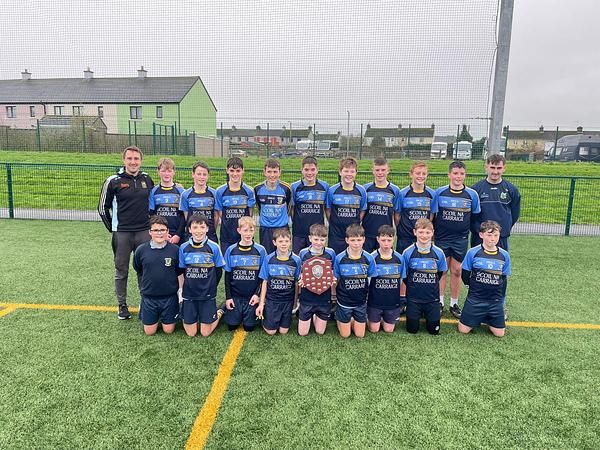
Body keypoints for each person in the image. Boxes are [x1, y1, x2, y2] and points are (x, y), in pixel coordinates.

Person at [98, 146, 154, 320]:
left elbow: (152, 205)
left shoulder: (147, 179)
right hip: (122, 234)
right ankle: (122, 305)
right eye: (129, 158)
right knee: (121, 270)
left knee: (144, 269)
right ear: (124, 160)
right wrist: (114, 228)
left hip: (143, 232)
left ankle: (145, 302)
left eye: (136, 159)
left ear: (141, 161)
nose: (133, 162)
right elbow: (102, 208)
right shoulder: (113, 181)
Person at [432, 161, 480, 318]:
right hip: (442, 238)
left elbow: (474, 218)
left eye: (461, 174)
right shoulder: (440, 193)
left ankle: (454, 303)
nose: (458, 177)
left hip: (460, 239)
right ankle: (440, 302)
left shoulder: (472, 195)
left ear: (465, 175)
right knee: (442, 270)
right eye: (455, 173)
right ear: (449, 175)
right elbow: (433, 215)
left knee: (457, 271)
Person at [459, 220, 511, 337]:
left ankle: (488, 318)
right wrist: (471, 287)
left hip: (494, 301)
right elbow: (465, 274)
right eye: (489, 235)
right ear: (481, 235)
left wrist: (501, 298)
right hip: (475, 299)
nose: (493, 239)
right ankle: (476, 315)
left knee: (499, 334)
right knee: (463, 330)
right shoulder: (473, 252)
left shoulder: (504, 255)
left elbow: (503, 278)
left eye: (496, 235)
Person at [133, 216, 181, 335]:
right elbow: (139, 268)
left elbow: (179, 270)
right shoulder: (141, 250)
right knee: (149, 332)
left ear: (167, 231)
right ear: (150, 232)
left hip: (169, 297)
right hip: (149, 297)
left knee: (168, 331)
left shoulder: (175, 250)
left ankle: (164, 317)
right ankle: (148, 312)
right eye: (155, 230)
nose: (159, 233)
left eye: (162, 230)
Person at [179, 214, 225, 337]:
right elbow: (182, 270)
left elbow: (218, 270)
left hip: (207, 293)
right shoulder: (183, 247)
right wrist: (183, 289)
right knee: (191, 333)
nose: (198, 231)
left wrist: (211, 286)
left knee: (205, 333)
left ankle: (220, 311)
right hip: (189, 293)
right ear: (189, 229)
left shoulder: (214, 247)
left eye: (202, 227)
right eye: (195, 227)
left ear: (207, 229)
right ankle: (183, 307)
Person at [402, 218, 447, 335]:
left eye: (427, 232)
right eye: (421, 232)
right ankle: (411, 308)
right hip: (413, 299)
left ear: (432, 233)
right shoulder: (407, 252)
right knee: (412, 330)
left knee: (433, 331)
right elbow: (405, 276)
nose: (424, 235)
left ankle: (429, 312)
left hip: (432, 299)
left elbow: (440, 273)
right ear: (414, 232)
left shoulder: (439, 252)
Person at [222, 216, 267, 332]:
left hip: (251, 297)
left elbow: (262, 277)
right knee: (232, 326)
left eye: (251, 230)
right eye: (245, 230)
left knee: (249, 327)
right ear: (239, 230)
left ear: (254, 231)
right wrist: (228, 297)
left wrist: (257, 295)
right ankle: (223, 307)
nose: (248, 234)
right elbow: (227, 275)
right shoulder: (231, 250)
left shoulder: (261, 250)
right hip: (235, 296)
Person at [333, 224, 377, 338]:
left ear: (364, 239)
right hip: (344, 301)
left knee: (360, 335)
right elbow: (336, 279)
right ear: (347, 240)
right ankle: (340, 317)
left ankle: (351, 320)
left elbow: (370, 278)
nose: (356, 243)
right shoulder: (339, 258)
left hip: (361, 301)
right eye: (353, 240)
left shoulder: (369, 258)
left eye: (359, 240)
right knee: (345, 335)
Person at [256, 228, 301, 335]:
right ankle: (266, 315)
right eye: (280, 241)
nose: (284, 244)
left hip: (288, 300)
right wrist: (261, 304)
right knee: (271, 332)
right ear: (274, 242)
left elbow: (296, 282)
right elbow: (265, 282)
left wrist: (295, 302)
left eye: (286, 241)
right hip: (272, 300)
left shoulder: (296, 260)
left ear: (290, 242)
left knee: (283, 331)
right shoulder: (268, 259)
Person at [471, 154, 521, 250]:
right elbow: (471, 216)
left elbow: (515, 214)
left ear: (504, 168)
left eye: (499, 168)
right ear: (486, 167)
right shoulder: (476, 189)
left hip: (501, 237)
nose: (495, 171)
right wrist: (480, 231)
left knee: (500, 259)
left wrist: (503, 229)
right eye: (492, 167)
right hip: (480, 237)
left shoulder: (512, 190)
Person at [297, 224, 336, 336]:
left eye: (322, 240)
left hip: (323, 297)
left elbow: (332, 270)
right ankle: (309, 314)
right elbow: (300, 272)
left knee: (320, 332)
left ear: (326, 239)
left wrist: (332, 278)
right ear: (310, 238)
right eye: (316, 239)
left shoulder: (330, 253)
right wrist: (301, 279)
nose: (319, 243)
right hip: (307, 296)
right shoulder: (303, 253)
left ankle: (316, 315)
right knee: (303, 333)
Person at [367, 225, 406, 333]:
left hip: (392, 303)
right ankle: (372, 316)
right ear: (378, 239)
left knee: (389, 330)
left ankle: (385, 317)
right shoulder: (372, 258)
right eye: (383, 240)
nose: (386, 243)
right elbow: (368, 281)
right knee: (374, 330)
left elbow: (401, 280)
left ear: (394, 239)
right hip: (375, 303)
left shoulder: (399, 258)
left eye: (389, 240)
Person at [215, 157, 256, 256]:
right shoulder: (220, 191)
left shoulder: (249, 191)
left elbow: (249, 215)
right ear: (227, 170)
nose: (235, 174)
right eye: (232, 171)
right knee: (228, 263)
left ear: (243, 171)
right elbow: (220, 214)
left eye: (238, 171)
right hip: (226, 236)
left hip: (244, 236)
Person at [326, 157, 367, 255]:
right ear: (340, 172)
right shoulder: (332, 190)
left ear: (356, 173)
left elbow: (362, 210)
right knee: (335, 258)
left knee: (353, 258)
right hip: (335, 234)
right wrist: (335, 222)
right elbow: (328, 209)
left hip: (353, 233)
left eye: (352, 171)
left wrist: (355, 222)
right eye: (346, 171)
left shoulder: (361, 191)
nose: (349, 174)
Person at [395, 161, 437, 254]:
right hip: (405, 237)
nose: (421, 176)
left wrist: (423, 230)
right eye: (418, 173)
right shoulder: (402, 193)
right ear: (411, 174)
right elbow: (397, 216)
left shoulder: (432, 194)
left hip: (422, 237)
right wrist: (403, 229)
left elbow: (431, 216)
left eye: (424, 174)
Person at [290, 157, 330, 254]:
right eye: (306, 170)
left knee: (317, 260)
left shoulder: (324, 186)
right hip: (299, 232)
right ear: (302, 170)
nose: (309, 173)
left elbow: (326, 209)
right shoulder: (295, 187)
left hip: (317, 234)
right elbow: (292, 209)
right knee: (299, 258)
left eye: (312, 169)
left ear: (317, 170)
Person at [362, 157, 401, 253]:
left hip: (385, 236)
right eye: (377, 170)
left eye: (383, 170)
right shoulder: (365, 189)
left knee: (384, 260)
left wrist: (396, 231)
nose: (380, 173)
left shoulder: (395, 190)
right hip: (367, 234)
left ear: (388, 170)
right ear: (373, 170)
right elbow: (361, 212)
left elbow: (396, 214)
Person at [254, 159, 292, 254]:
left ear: (280, 172)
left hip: (282, 227)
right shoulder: (257, 189)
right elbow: (259, 207)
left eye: (275, 172)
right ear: (264, 172)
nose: (272, 175)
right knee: (267, 256)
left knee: (283, 256)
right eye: (269, 172)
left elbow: (289, 207)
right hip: (265, 229)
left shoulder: (286, 188)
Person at [180, 161, 219, 243]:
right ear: (193, 174)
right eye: (199, 174)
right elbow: (186, 217)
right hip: (192, 235)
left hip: (210, 235)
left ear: (208, 176)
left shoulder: (214, 193)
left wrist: (210, 229)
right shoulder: (185, 194)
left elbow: (216, 216)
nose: (202, 177)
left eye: (204, 174)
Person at [149, 158, 185, 245]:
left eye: (169, 171)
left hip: (177, 236)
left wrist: (178, 234)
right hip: (159, 234)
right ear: (158, 172)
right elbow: (152, 215)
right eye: (163, 171)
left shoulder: (181, 191)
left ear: (174, 172)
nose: (166, 174)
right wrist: (162, 233)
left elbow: (184, 216)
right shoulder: (153, 191)